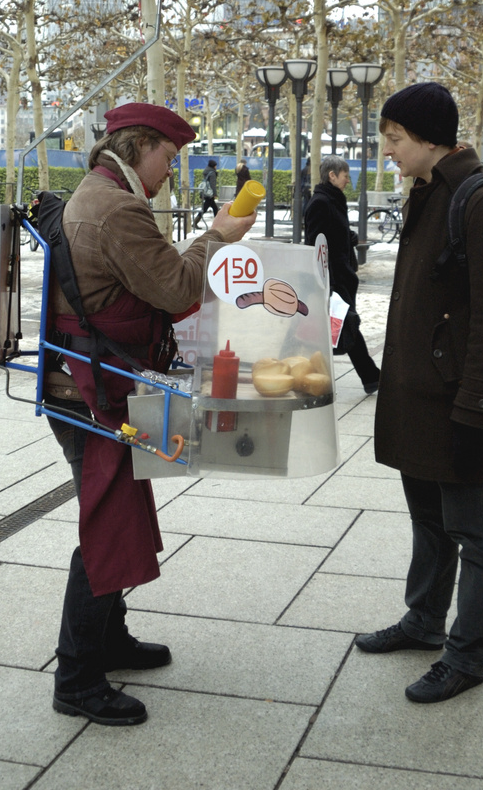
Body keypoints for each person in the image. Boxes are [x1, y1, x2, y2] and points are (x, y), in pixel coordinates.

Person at [45, 104, 255, 727]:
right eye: (169, 155)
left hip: (93, 381)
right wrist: (219, 235)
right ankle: (77, 676)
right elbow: (179, 287)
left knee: (121, 507)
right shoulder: (117, 208)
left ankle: (109, 640)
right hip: (96, 390)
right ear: (139, 147)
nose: (171, 168)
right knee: (107, 520)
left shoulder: (97, 192)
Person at [354, 82, 483, 704]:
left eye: (395, 139)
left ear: (428, 138)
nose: (388, 151)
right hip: (416, 398)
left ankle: (466, 654)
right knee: (428, 521)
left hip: (457, 403)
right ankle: (424, 621)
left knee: (474, 533)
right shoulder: (426, 192)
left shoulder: (482, 202)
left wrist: (474, 407)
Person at [304, 156, 380, 393]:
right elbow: (314, 245)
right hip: (333, 279)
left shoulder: (334, 201)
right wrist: (326, 282)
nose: (348, 180)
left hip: (342, 276)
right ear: (332, 176)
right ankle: (371, 377)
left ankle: (370, 377)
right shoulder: (320, 202)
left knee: (341, 325)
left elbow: (333, 234)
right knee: (346, 324)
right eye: (345, 175)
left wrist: (349, 238)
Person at [194, 157, 219, 226]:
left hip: (205, 192)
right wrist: (214, 193)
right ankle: (217, 224)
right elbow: (212, 184)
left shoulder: (206, 171)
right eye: (215, 165)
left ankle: (195, 222)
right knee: (211, 208)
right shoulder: (212, 173)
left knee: (212, 208)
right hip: (209, 194)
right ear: (213, 166)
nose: (216, 167)